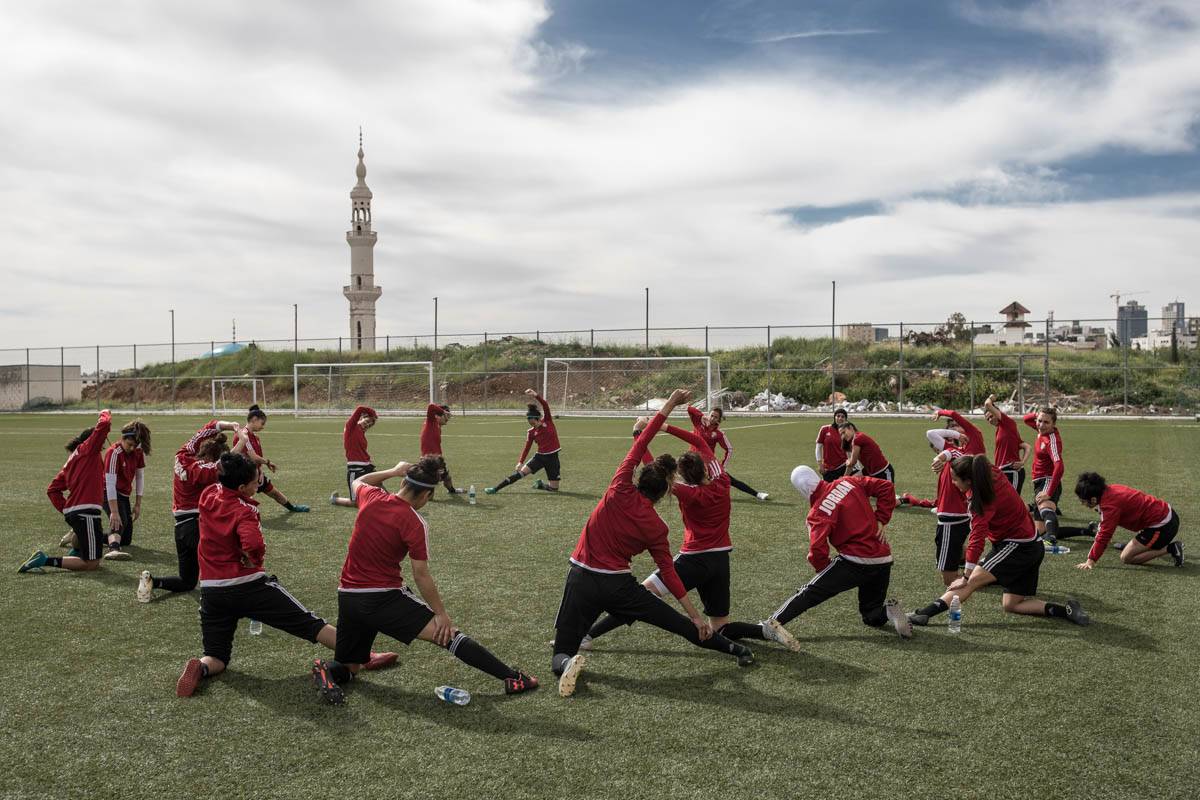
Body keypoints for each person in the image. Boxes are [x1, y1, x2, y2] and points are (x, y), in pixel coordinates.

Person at [550, 389, 754, 698]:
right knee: (679, 625)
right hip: (620, 587)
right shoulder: (658, 527)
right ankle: (733, 647)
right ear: (665, 492)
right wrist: (694, 615)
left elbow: (641, 442)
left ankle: (567, 662)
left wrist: (669, 405)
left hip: (581, 577)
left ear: (638, 475)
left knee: (562, 650)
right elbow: (669, 574)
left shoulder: (619, 486)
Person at [310, 455, 537, 704]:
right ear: (426, 496)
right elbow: (421, 574)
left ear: (402, 484)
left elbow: (360, 481)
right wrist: (441, 614)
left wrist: (393, 470)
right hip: (382, 598)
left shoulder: (371, 497)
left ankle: (327, 669)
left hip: (349, 597)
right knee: (448, 634)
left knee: (350, 669)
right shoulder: (414, 522)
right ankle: (513, 678)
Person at [174, 452, 396, 698]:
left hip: (212, 591)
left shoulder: (208, 495)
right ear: (241, 486)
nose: (258, 484)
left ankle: (202, 667)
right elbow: (254, 545)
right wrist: (252, 558)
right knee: (309, 623)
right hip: (248, 586)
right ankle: (365, 656)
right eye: (254, 481)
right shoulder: (245, 509)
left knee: (217, 655)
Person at [580, 418, 792, 651]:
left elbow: (654, 472)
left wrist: (639, 434)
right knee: (720, 626)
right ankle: (763, 630)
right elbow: (698, 440)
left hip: (694, 560)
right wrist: (666, 427)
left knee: (641, 596)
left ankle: (588, 636)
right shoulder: (722, 481)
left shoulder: (689, 494)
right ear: (704, 468)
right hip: (721, 561)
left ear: (682, 477)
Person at [907, 455, 1091, 628]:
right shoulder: (989, 472)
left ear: (969, 480)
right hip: (1030, 544)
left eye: (955, 480)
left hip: (1018, 546)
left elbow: (977, 540)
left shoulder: (982, 502)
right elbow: (975, 460)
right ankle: (1067, 610)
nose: (954, 484)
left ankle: (923, 614)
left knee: (969, 583)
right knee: (1012, 604)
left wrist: (966, 575)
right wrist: (947, 455)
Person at [751, 466, 911, 641]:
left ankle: (770, 624)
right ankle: (888, 611)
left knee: (808, 592)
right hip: (883, 559)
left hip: (854, 562)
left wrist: (824, 569)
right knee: (870, 615)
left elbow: (817, 549)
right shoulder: (848, 481)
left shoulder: (818, 511)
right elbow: (886, 487)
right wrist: (881, 518)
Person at [136, 420, 246, 601]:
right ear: (212, 457)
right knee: (228, 559)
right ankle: (235, 598)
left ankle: (152, 582)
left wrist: (231, 426)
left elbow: (207, 429)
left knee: (187, 581)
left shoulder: (181, 456)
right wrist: (240, 440)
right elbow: (224, 465)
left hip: (181, 529)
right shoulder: (202, 472)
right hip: (197, 527)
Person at [21, 410, 113, 575]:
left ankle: (75, 553)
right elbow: (104, 424)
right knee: (92, 564)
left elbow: (52, 490)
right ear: (91, 440)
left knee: (81, 534)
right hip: (86, 513)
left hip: (75, 514)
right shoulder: (88, 450)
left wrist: (66, 509)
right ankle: (44, 559)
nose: (103, 445)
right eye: (101, 442)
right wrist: (104, 413)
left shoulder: (72, 459)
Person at [1073, 472, 1183, 569]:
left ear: (1093, 499)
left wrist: (1090, 560)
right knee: (1132, 548)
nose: (1082, 504)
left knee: (1127, 558)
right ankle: (1135, 546)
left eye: (1083, 501)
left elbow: (1104, 535)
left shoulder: (1109, 506)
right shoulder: (1110, 489)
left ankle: (1171, 548)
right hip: (1166, 513)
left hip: (1164, 526)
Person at [233, 404, 309, 512]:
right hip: (243, 475)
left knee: (274, 492)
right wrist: (268, 462)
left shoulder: (255, 437)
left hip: (254, 472)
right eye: (262, 423)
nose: (263, 427)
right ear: (254, 419)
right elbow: (253, 457)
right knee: (245, 499)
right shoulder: (243, 435)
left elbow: (258, 458)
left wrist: (260, 472)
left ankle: (292, 508)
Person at [684, 405, 768, 500]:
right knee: (689, 482)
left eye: (716, 417)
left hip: (708, 464)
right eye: (711, 415)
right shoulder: (698, 423)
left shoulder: (719, 434)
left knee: (729, 480)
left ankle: (758, 494)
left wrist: (723, 466)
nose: (712, 418)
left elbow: (729, 449)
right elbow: (689, 408)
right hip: (692, 462)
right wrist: (702, 415)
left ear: (718, 420)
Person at [486, 389, 562, 494]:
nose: (532, 425)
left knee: (554, 489)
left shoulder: (548, 420)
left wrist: (535, 395)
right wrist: (520, 462)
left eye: (533, 423)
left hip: (553, 457)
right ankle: (495, 489)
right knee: (520, 474)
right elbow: (527, 448)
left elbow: (545, 405)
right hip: (540, 457)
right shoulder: (531, 432)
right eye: (530, 424)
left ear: (539, 419)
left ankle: (540, 484)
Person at [97, 420, 152, 561]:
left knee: (126, 539)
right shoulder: (114, 453)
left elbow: (140, 477)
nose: (133, 448)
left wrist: (138, 504)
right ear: (122, 438)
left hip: (123, 494)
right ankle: (113, 549)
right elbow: (109, 485)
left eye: (135, 445)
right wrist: (114, 512)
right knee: (119, 521)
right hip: (107, 492)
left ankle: (82, 535)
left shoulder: (138, 451)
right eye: (129, 444)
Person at [927, 437, 971, 586]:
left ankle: (984, 577)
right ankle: (982, 570)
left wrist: (939, 457)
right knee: (956, 547)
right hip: (958, 517)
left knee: (948, 580)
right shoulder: (964, 458)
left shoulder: (959, 454)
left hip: (952, 519)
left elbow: (932, 434)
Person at [1024, 407, 1064, 543]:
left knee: (1044, 507)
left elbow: (1059, 467)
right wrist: (1039, 414)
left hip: (1047, 480)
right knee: (1037, 533)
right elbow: (1026, 419)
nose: (1041, 425)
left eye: (1046, 422)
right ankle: (1086, 531)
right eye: (1039, 421)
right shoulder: (1041, 431)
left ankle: (1051, 539)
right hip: (1039, 482)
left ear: (1054, 424)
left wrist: (1049, 491)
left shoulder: (1052, 440)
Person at [982, 394, 1032, 492]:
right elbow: (1027, 446)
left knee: (1012, 503)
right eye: (988, 419)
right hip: (1003, 471)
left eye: (991, 416)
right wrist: (1022, 462)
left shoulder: (1007, 423)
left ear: (998, 412)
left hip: (1011, 470)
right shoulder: (1003, 430)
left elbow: (987, 404)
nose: (990, 420)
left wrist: (991, 398)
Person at [331, 405, 378, 507]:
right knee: (355, 503)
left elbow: (362, 452)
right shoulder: (350, 427)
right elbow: (360, 408)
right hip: (355, 469)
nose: (368, 424)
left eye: (370, 424)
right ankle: (335, 500)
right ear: (360, 418)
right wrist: (373, 414)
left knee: (379, 484)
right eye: (367, 421)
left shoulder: (361, 433)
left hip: (367, 466)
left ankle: (393, 502)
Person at [418, 403, 467, 496]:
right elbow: (430, 406)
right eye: (446, 416)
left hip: (437, 460)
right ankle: (412, 494)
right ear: (437, 416)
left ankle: (452, 490)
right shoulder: (431, 422)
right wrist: (443, 411)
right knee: (429, 495)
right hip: (429, 461)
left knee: (447, 477)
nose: (447, 418)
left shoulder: (437, 426)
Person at [815, 408, 849, 481]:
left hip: (843, 465)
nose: (840, 418)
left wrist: (855, 466)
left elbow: (850, 451)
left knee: (851, 485)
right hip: (828, 468)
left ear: (846, 419)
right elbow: (818, 448)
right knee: (827, 490)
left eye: (843, 416)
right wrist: (820, 465)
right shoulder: (825, 429)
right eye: (838, 416)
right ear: (834, 417)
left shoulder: (847, 432)